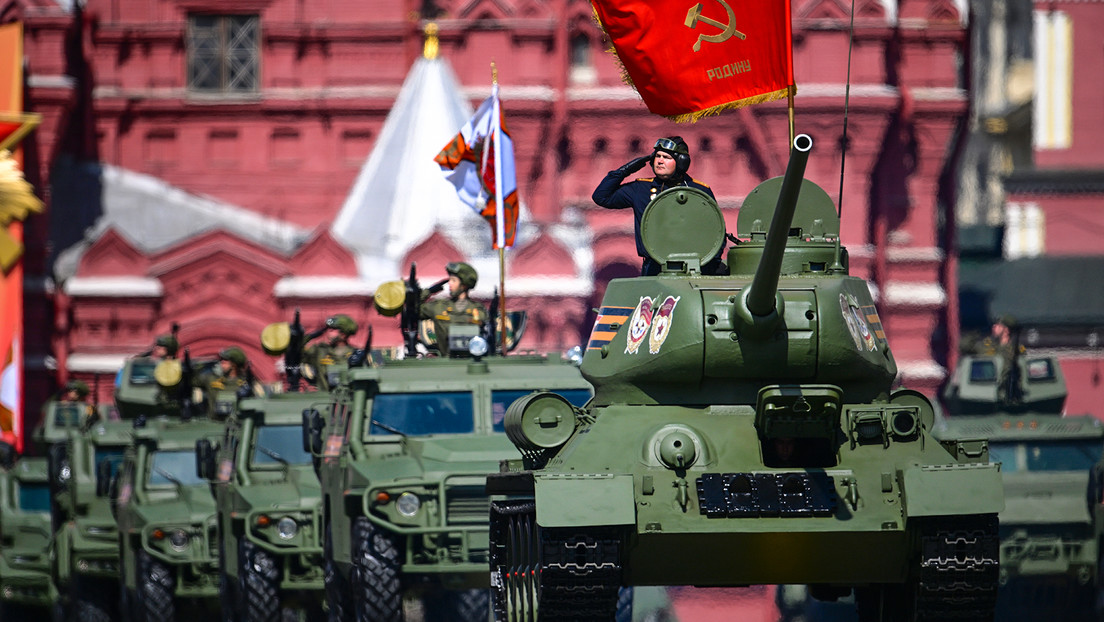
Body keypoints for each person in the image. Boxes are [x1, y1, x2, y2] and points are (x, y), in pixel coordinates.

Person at [592, 136, 724, 276]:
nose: (659, 161)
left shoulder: (699, 191)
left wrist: (710, 263)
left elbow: (716, 230)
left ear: (681, 162)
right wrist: (626, 170)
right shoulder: (641, 189)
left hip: (693, 268)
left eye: (666, 157)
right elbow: (601, 197)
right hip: (654, 268)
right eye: (657, 156)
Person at [420, 262, 487, 357]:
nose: (449, 284)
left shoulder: (477, 310)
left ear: (464, 285)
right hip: (445, 362)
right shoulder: (439, 307)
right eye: (450, 280)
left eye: (454, 280)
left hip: (471, 361)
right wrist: (429, 291)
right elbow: (413, 311)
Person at [304, 314, 358, 390]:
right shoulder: (319, 351)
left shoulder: (357, 354)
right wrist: (310, 336)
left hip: (349, 399)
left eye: (332, 330)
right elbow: (296, 353)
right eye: (328, 329)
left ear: (343, 335)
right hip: (323, 399)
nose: (328, 333)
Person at [195, 346, 251, 419]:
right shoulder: (212, 379)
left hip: (237, 425)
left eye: (225, 360)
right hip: (213, 424)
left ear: (234, 364)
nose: (221, 362)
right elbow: (194, 381)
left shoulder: (245, 384)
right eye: (221, 359)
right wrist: (195, 369)